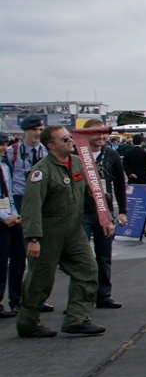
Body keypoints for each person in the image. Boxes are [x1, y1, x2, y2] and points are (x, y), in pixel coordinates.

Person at [15, 125, 104, 338]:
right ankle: (28, 323)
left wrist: (104, 218)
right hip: (48, 233)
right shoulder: (41, 171)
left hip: (73, 231)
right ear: (51, 145)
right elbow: (31, 207)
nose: (70, 141)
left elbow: (91, 193)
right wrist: (33, 238)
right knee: (40, 280)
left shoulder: (77, 163)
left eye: (70, 137)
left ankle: (77, 319)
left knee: (88, 270)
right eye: (65, 139)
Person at [80, 120, 128, 310]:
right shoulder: (78, 154)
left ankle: (103, 295)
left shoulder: (112, 155)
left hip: (104, 211)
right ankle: (80, 298)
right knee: (81, 257)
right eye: (95, 133)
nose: (100, 137)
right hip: (81, 211)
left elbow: (119, 185)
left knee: (104, 256)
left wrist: (123, 211)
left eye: (103, 133)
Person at [3, 116, 48, 312]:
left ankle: (38, 298)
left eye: (40, 129)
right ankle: (16, 299)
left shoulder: (45, 151)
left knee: (42, 256)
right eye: (34, 129)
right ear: (25, 132)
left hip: (41, 200)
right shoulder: (12, 153)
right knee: (18, 255)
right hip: (19, 201)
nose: (38, 133)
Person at [0, 137, 22, 318]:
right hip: (2, 218)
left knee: (6, 262)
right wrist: (4, 217)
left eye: (5, 145)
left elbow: (9, 192)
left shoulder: (5, 167)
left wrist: (13, 214)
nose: (3, 148)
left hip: (8, 215)